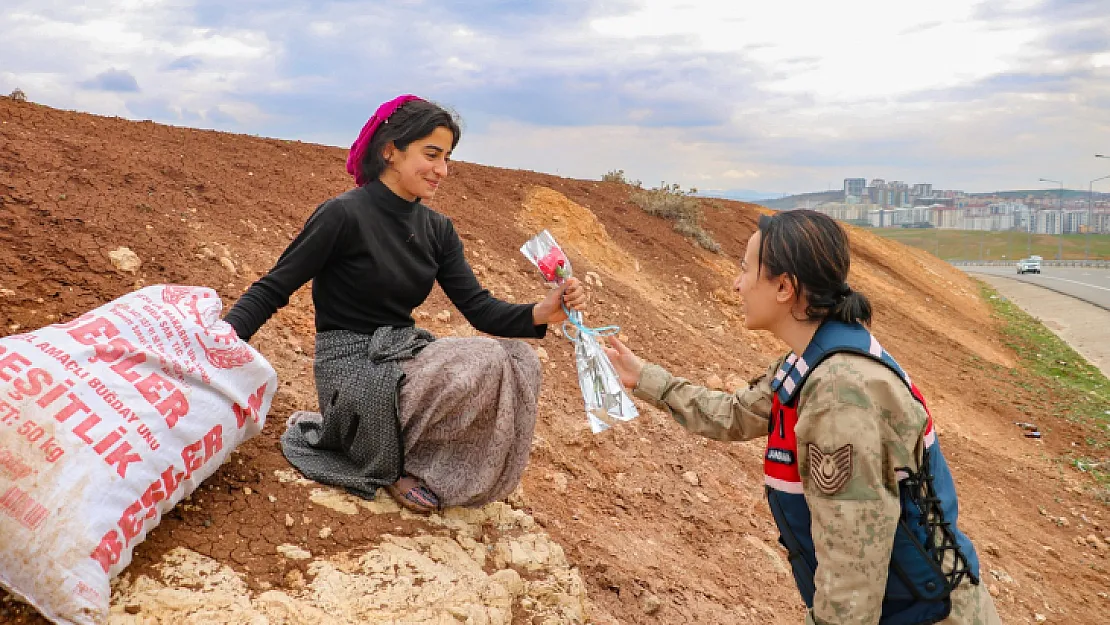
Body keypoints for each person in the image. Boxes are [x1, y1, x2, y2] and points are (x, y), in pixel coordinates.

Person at [603, 210, 1000, 625]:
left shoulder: (838, 394)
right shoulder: (814, 361)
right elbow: (735, 414)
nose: (737, 284)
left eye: (744, 270)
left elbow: (852, 572)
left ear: (784, 287)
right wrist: (645, 378)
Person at [223, 95, 585, 514]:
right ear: (390, 150)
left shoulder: (438, 230)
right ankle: (388, 463)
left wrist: (543, 312)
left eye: (447, 158)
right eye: (431, 154)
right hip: (351, 368)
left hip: (400, 355)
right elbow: (273, 288)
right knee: (484, 359)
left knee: (521, 360)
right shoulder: (342, 215)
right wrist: (220, 345)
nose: (442, 170)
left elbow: (480, 308)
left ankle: (429, 466)